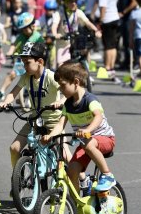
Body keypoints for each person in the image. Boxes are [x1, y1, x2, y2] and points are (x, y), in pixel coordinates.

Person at [42, 61, 117, 193]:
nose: (60, 89)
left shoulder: (90, 99)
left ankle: (107, 175)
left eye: (63, 85)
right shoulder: (68, 105)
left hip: (105, 138)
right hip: (86, 143)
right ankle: (76, 208)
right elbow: (60, 125)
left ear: (76, 82)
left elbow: (98, 116)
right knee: (71, 172)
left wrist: (88, 130)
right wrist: (50, 136)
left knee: (88, 144)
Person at [0, 42, 66, 171]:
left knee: (65, 155)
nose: (24, 66)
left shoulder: (51, 76)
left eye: (27, 62)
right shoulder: (26, 77)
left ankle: (82, 181)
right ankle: (18, 177)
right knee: (14, 148)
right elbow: (13, 92)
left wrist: (61, 101)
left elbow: (67, 92)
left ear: (39, 61)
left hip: (53, 121)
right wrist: (5, 102)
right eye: (23, 62)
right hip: (35, 119)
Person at [0, 12, 44, 101]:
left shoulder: (37, 37)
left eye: (25, 28)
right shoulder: (21, 36)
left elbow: (42, 49)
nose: (24, 31)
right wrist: (10, 52)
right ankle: (1, 91)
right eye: (22, 29)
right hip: (22, 60)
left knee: (36, 79)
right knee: (12, 74)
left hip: (33, 62)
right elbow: (14, 44)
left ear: (32, 26)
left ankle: (28, 97)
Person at [57, 0, 101, 76]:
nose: (73, 3)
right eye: (70, 1)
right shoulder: (60, 13)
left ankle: (85, 74)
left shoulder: (78, 12)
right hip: (62, 41)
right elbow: (54, 25)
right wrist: (55, 34)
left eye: (75, 1)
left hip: (74, 40)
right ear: (65, 2)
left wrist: (96, 30)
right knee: (60, 65)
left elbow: (87, 22)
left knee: (83, 52)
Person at [93, 0, 119, 78]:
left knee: (107, 45)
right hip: (115, 18)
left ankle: (107, 67)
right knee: (113, 45)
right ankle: (112, 67)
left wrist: (100, 21)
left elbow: (103, 7)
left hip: (107, 19)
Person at [116, 0, 138, 70]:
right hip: (124, 18)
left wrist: (123, 12)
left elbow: (134, 2)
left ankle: (132, 62)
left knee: (129, 41)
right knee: (124, 42)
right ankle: (126, 62)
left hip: (128, 18)